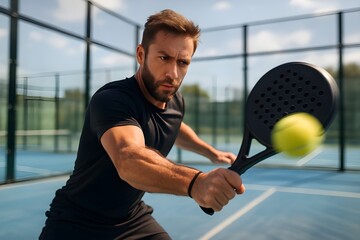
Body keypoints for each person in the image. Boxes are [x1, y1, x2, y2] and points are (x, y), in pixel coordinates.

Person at [39, 9, 245, 240]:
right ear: (141, 54)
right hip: (76, 223)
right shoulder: (112, 99)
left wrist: (211, 152)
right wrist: (195, 183)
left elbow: (174, 126)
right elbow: (129, 159)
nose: (173, 73)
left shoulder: (175, 101)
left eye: (183, 62)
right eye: (164, 58)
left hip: (130, 218)